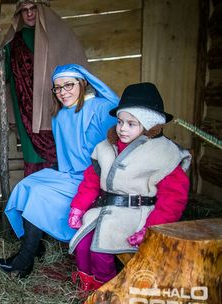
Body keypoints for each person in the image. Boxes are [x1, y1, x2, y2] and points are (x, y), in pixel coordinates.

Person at [67, 82, 191, 291]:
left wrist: (151, 229)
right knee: (82, 244)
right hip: (105, 210)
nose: (122, 128)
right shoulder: (106, 148)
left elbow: (173, 198)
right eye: (120, 122)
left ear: (149, 125)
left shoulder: (165, 153)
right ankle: (87, 287)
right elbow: (90, 181)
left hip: (137, 215)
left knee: (101, 251)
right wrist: (78, 207)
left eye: (131, 123)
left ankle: (108, 291)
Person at [0, 64, 119, 278]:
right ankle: (34, 246)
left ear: (82, 84)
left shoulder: (101, 108)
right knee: (26, 185)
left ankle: (24, 260)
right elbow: (67, 155)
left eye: (68, 85)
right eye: (57, 88)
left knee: (39, 195)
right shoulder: (60, 115)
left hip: (92, 179)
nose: (63, 92)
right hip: (69, 174)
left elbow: (119, 141)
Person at [0, 0, 88, 176]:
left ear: (41, 9)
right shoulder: (14, 42)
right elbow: (1, 74)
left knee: (65, 156)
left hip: (56, 108)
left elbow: (76, 71)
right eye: (24, 10)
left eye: (33, 8)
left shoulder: (59, 35)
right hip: (26, 111)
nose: (29, 13)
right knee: (34, 162)